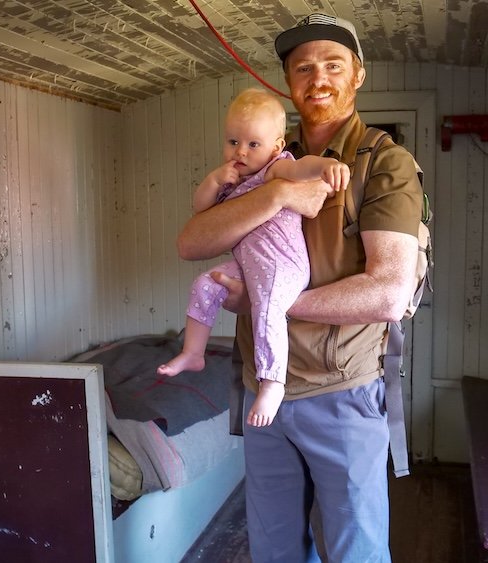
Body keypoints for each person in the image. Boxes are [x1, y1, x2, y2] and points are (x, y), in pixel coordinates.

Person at [177, 12, 423, 562]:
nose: (318, 79)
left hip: (341, 393)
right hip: (264, 388)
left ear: (358, 74)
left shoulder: (384, 164)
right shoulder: (263, 159)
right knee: (274, 550)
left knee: (355, 551)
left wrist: (269, 303)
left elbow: (388, 292)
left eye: (333, 65)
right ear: (287, 81)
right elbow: (191, 242)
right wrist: (276, 195)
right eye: (303, 68)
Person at [158, 88, 349, 428]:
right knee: (205, 285)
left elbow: (304, 167)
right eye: (233, 142)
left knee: (267, 307)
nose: (241, 152)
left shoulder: (275, 169)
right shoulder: (232, 179)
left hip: (282, 264)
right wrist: (214, 180)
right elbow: (200, 208)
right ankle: (193, 352)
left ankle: (273, 381)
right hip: (249, 265)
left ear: (276, 147)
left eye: (253, 144)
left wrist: (327, 165)